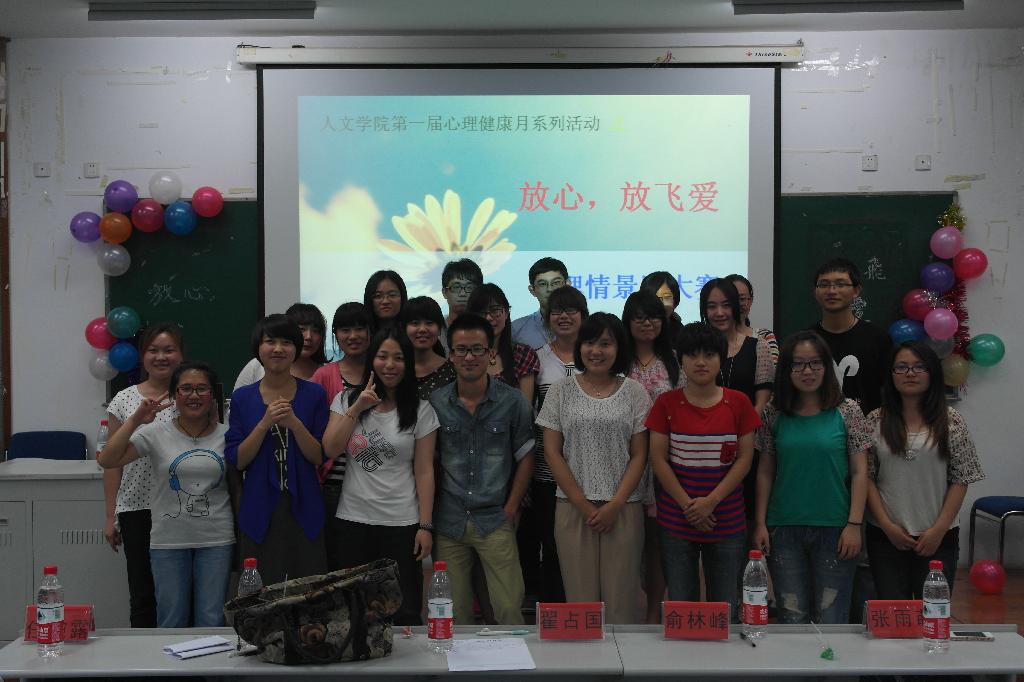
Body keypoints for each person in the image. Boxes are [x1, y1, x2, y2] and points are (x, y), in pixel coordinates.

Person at [536, 312, 651, 624]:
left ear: (619, 348)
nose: (596, 350)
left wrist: (614, 505)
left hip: (623, 508)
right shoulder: (560, 391)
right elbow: (552, 452)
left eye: (605, 343)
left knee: (620, 606)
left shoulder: (635, 392)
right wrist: (584, 505)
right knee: (580, 604)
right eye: (589, 342)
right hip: (573, 509)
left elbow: (639, 455)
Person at [99, 362, 233, 628]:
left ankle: (209, 660)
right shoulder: (155, 433)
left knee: (211, 619)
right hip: (168, 540)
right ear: (174, 396)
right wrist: (136, 419)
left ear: (212, 395)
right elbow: (108, 459)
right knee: (171, 620)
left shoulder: (228, 435)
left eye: (202, 389)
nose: (194, 395)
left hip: (216, 538)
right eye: (186, 389)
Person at [753, 331, 871, 624]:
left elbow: (860, 472)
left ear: (827, 366)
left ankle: (831, 660)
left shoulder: (848, 411)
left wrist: (854, 524)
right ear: (786, 369)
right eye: (798, 364)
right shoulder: (773, 413)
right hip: (784, 529)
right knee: (792, 617)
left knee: (832, 618)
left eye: (815, 363)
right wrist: (760, 523)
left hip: (836, 529)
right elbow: (765, 471)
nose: (807, 371)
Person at [322, 329, 438, 622]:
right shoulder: (345, 399)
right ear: (371, 360)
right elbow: (331, 448)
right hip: (353, 520)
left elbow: (424, 470)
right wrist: (358, 407)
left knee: (404, 610)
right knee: (353, 610)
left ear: (408, 364)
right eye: (382, 356)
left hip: (402, 523)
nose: (390, 365)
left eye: (398, 358)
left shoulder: (421, 410)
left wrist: (425, 526)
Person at [647, 323, 760, 619]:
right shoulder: (666, 403)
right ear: (680, 359)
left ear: (721, 359)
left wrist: (710, 502)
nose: (700, 362)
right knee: (682, 608)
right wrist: (690, 507)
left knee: (726, 608)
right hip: (676, 520)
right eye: (692, 355)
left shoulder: (739, 402)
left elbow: (744, 460)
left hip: (727, 519)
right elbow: (658, 460)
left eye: (709, 355)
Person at [430, 313, 535, 626]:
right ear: (450, 355)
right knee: (454, 614)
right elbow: (426, 463)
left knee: (509, 608)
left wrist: (512, 507)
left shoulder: (513, 401)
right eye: (461, 350)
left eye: (477, 349)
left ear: (491, 354)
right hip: (449, 521)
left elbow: (526, 456)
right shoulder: (436, 402)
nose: (469, 357)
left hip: (495, 518)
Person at [865, 341, 984, 598]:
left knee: (933, 612)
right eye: (902, 367)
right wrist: (886, 525)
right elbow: (866, 478)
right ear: (891, 374)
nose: (910, 373)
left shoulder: (951, 420)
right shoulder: (875, 420)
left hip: (938, 536)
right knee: (894, 613)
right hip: (886, 535)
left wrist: (938, 530)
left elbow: (961, 479)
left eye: (919, 367)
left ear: (932, 373)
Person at [225, 314, 330, 585]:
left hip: (305, 506)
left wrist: (294, 424)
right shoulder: (242, 397)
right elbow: (238, 460)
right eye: (270, 341)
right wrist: (264, 423)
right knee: (260, 591)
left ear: (296, 349)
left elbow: (318, 456)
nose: (278, 349)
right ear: (258, 348)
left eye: (287, 342)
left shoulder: (314, 394)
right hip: (259, 507)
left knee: (308, 589)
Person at [103, 322, 184, 628]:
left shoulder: (192, 396)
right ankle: (143, 655)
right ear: (142, 356)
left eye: (169, 350)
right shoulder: (124, 400)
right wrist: (110, 515)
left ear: (181, 354)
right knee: (142, 593)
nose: (161, 357)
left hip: (182, 506)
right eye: (153, 350)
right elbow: (112, 463)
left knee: (179, 593)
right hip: (137, 507)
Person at [526, 285, 589, 604]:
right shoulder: (538, 358)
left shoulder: (597, 356)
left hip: (590, 473)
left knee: (588, 549)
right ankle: (555, 616)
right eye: (557, 311)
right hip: (546, 472)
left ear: (584, 315)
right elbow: (530, 414)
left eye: (571, 310)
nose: (564, 317)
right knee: (552, 549)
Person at [622, 289, 682, 623]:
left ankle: (653, 612)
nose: (648, 324)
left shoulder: (675, 360)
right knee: (628, 541)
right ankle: (623, 611)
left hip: (664, 463)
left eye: (654, 317)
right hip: (624, 461)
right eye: (640, 317)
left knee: (658, 543)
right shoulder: (617, 360)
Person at [311, 302, 371, 549]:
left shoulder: (384, 372)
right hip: (335, 484)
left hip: (375, 483)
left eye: (360, 328)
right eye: (345, 330)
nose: (353, 336)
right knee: (338, 558)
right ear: (335, 334)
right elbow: (313, 431)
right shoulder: (323, 376)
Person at [811, 258, 892, 416]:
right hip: (818, 427)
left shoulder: (878, 338)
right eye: (824, 285)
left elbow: (890, 392)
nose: (832, 291)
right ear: (815, 292)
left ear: (856, 291)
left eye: (840, 284)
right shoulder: (806, 342)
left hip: (869, 426)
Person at [468, 283, 539, 404]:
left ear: (506, 313)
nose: (488, 318)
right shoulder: (463, 355)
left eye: (495, 311)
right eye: (481, 313)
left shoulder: (523, 354)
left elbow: (525, 408)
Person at [233, 302, 327, 391]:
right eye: (302, 329)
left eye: (316, 331)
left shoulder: (327, 373)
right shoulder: (257, 366)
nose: (309, 337)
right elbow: (238, 401)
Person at [402, 296, 457, 400]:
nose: (422, 329)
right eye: (415, 323)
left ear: (439, 329)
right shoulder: (396, 370)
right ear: (404, 329)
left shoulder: (454, 371)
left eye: (429, 323)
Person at [512, 257, 569, 350]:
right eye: (542, 284)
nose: (550, 289)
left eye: (556, 283)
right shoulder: (516, 329)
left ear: (567, 285)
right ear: (532, 290)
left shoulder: (583, 326)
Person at [725, 274, 778, 366]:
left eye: (742, 299)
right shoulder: (711, 338)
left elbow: (772, 372)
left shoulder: (764, 336)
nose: (737, 304)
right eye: (732, 299)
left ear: (750, 301)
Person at [640, 271, 684, 344]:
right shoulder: (631, 331)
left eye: (667, 297)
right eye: (654, 298)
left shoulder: (682, 334)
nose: (660, 304)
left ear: (675, 300)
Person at [441, 258, 483, 327]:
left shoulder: (490, 327)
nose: (463, 294)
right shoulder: (436, 330)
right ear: (445, 292)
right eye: (456, 287)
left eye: (470, 287)